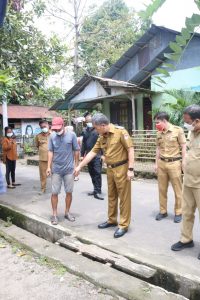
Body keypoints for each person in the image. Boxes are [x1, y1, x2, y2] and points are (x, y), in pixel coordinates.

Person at [74, 113, 134, 238]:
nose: (95, 130)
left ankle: (123, 225)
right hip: (110, 169)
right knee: (112, 196)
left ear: (102, 125)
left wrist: (131, 169)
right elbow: (92, 152)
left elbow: (130, 149)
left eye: (96, 128)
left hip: (122, 168)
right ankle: (112, 220)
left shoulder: (120, 132)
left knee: (124, 198)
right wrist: (79, 166)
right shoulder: (102, 136)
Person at [171, 105, 200, 259]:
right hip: (188, 180)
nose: (186, 124)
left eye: (188, 121)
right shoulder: (191, 132)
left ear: (197, 120)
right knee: (187, 212)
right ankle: (186, 239)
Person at [46, 117, 80, 225]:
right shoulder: (52, 136)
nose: (56, 131)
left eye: (58, 128)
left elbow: (76, 150)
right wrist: (48, 167)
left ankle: (67, 212)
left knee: (69, 192)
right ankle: (55, 215)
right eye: (54, 129)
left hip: (69, 170)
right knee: (54, 192)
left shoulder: (72, 135)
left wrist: (76, 166)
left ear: (63, 125)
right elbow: (50, 152)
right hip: (56, 170)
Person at [154, 112, 186, 223]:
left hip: (174, 163)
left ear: (164, 121)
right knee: (162, 189)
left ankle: (178, 212)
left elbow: (183, 146)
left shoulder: (178, 130)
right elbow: (158, 148)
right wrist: (156, 163)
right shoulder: (159, 133)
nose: (156, 125)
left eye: (157, 122)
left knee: (178, 189)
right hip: (162, 163)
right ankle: (163, 211)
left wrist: (183, 162)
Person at [81, 111, 103, 200]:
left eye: (90, 117)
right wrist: (82, 154)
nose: (89, 118)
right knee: (91, 173)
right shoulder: (85, 131)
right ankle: (95, 189)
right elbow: (83, 143)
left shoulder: (97, 130)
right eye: (87, 117)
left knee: (97, 173)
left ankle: (98, 190)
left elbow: (103, 142)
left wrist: (103, 155)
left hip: (97, 155)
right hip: (88, 156)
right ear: (85, 120)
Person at [35, 119, 51, 193]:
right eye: (41, 127)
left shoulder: (53, 134)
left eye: (44, 126)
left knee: (55, 174)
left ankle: (55, 188)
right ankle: (43, 188)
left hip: (53, 158)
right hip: (43, 159)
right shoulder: (38, 136)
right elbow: (37, 146)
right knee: (43, 175)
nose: (43, 128)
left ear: (48, 125)